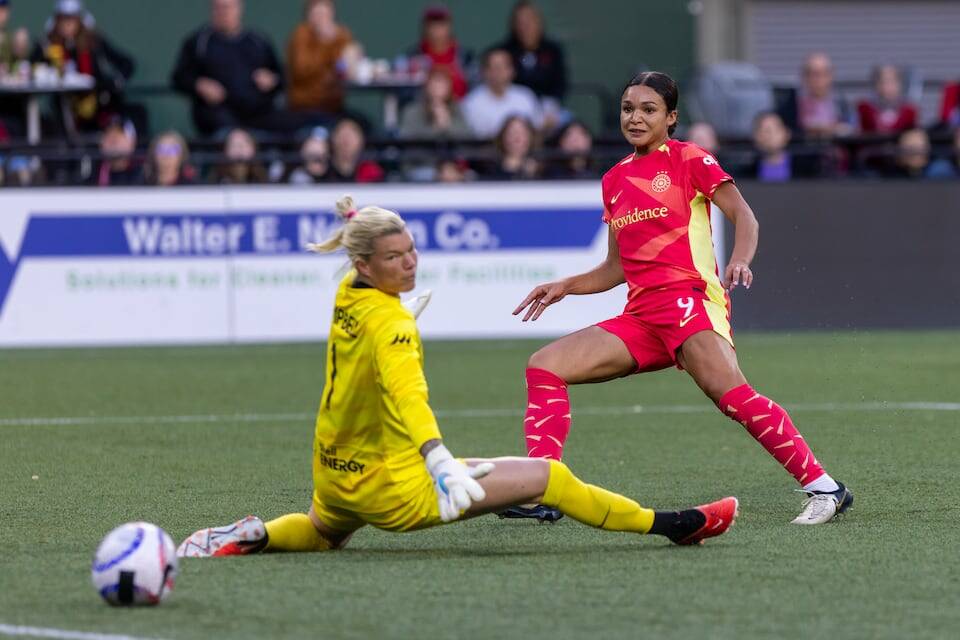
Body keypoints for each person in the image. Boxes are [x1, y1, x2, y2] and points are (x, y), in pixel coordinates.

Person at [175, 194, 739, 559]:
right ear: (365, 266)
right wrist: (438, 460)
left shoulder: (351, 291)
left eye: (411, 250)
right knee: (548, 478)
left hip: (335, 469)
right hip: (396, 487)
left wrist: (355, 222)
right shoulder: (393, 327)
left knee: (324, 533)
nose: (410, 263)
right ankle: (675, 525)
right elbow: (407, 397)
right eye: (394, 258)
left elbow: (368, 307)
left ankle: (254, 533)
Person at [504, 71, 853, 526]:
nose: (635, 117)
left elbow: (744, 216)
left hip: (690, 301)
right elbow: (617, 267)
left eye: (649, 109)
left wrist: (741, 259)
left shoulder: (690, 159)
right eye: (629, 108)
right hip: (642, 316)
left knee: (731, 396)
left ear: (671, 117)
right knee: (544, 366)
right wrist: (565, 285)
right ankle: (543, 489)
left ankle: (825, 488)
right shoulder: (614, 179)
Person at [170, 0, 285, 136]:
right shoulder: (199, 42)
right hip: (218, 118)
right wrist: (199, 84)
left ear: (239, 8)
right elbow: (178, 78)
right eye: (219, 7)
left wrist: (272, 80)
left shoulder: (258, 41)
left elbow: (281, 78)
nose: (224, 12)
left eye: (228, 7)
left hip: (259, 115)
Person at [32, 0, 141, 133]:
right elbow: (33, 66)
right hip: (64, 106)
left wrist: (115, 81)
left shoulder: (93, 42)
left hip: (95, 103)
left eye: (72, 19)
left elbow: (127, 63)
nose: (67, 24)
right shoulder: (49, 44)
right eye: (63, 19)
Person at [496, 1, 568, 130]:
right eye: (520, 23)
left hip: (547, 107)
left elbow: (560, 84)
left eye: (529, 21)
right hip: (514, 107)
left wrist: (550, 108)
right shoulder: (505, 51)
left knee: (570, 126)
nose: (525, 27)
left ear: (539, 23)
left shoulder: (552, 50)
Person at [285, 0, 355, 117]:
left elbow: (348, 69)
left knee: (361, 125)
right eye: (317, 13)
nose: (321, 18)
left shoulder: (341, 35)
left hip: (334, 106)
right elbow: (302, 70)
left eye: (325, 12)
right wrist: (326, 43)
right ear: (309, 14)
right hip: (305, 106)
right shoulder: (301, 34)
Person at [462, 48, 542, 139]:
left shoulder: (525, 97)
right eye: (494, 67)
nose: (499, 72)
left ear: (512, 70)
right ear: (484, 71)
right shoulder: (471, 102)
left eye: (503, 66)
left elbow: (536, 131)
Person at [779, 52, 854, 140]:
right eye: (814, 74)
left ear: (831, 76)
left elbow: (850, 129)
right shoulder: (791, 105)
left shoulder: (841, 103)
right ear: (804, 77)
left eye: (823, 74)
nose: (818, 80)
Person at [738, 111, 821, 181]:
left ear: (786, 134)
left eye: (773, 130)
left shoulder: (806, 169)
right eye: (763, 131)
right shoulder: (746, 173)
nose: (768, 136)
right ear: (755, 137)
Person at [408, 5, 468, 100]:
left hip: (459, 110)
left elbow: (473, 90)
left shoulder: (465, 56)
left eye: (441, 24)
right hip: (424, 110)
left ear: (449, 26)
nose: (437, 30)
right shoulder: (413, 55)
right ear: (425, 28)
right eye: (432, 25)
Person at [398, 66, 471, 141]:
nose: (437, 88)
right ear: (427, 86)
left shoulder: (457, 109)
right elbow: (405, 141)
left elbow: (468, 138)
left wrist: (447, 124)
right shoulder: (412, 111)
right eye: (434, 83)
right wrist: (436, 129)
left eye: (442, 83)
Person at [856, 65, 918, 135]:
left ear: (899, 85)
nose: (887, 87)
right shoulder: (864, 108)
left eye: (892, 82)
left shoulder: (909, 111)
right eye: (883, 82)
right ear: (876, 85)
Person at [479, 115, 540, 180]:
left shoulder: (542, 173)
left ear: (530, 137)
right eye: (512, 133)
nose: (517, 138)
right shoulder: (489, 171)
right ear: (503, 137)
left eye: (522, 133)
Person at [88, 115, 142, 186]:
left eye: (120, 133)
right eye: (108, 133)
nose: (113, 139)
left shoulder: (144, 177)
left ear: (133, 141)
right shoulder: (91, 182)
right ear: (101, 143)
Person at [328, 117, 384, 182]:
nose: (346, 141)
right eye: (341, 135)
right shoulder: (322, 171)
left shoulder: (372, 173)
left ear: (362, 140)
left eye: (351, 136)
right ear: (332, 139)